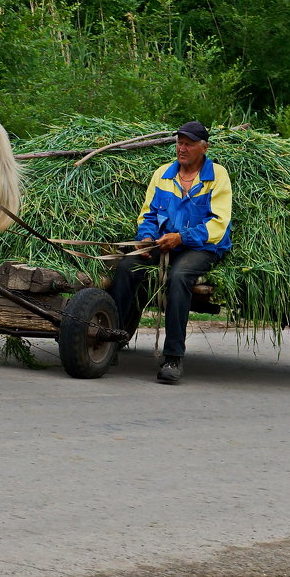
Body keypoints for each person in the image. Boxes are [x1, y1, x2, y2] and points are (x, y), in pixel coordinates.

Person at [109, 121, 232, 384]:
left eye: (188, 143)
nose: (182, 148)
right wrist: (145, 239)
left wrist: (182, 237)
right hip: (163, 242)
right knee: (126, 267)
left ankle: (173, 357)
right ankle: (113, 340)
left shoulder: (217, 175)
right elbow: (148, 214)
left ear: (204, 147)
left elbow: (218, 224)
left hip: (202, 246)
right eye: (179, 142)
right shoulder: (163, 174)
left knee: (178, 277)